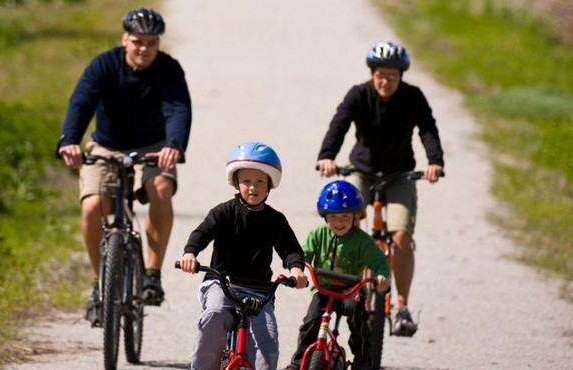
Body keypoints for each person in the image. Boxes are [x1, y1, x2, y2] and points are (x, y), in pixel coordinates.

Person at [56, 7, 192, 321]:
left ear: (158, 43)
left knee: (160, 188)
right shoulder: (104, 65)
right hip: (107, 146)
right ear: (124, 39)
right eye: (137, 41)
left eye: (151, 42)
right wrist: (69, 140)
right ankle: (99, 283)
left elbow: (178, 109)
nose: (144, 48)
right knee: (92, 207)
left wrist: (174, 145)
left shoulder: (169, 70)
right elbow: (81, 102)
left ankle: (152, 276)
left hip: (156, 147)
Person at [315, 41, 444, 337]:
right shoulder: (358, 94)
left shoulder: (413, 97)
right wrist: (327, 156)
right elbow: (339, 123)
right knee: (346, 224)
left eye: (392, 76)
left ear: (401, 76)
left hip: (400, 175)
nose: (386, 81)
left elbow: (428, 129)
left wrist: (434, 161)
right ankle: (346, 289)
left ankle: (401, 306)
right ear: (372, 74)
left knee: (400, 236)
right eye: (380, 75)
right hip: (362, 170)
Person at [178, 141, 309, 370]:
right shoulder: (223, 212)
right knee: (215, 314)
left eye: (260, 181)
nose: (252, 187)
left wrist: (296, 270)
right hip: (222, 283)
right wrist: (190, 253)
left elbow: (290, 249)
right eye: (246, 181)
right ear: (236, 183)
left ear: (270, 185)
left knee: (266, 338)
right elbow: (202, 233)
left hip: (259, 290)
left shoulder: (275, 220)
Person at [283, 180, 390, 370]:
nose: (339, 222)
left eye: (345, 217)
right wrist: (298, 268)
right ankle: (298, 361)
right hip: (323, 288)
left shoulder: (362, 241)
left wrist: (381, 276)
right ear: (325, 217)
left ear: (355, 216)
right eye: (333, 217)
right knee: (311, 320)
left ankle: (362, 358)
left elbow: (380, 262)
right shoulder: (318, 234)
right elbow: (303, 254)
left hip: (351, 290)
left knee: (358, 316)